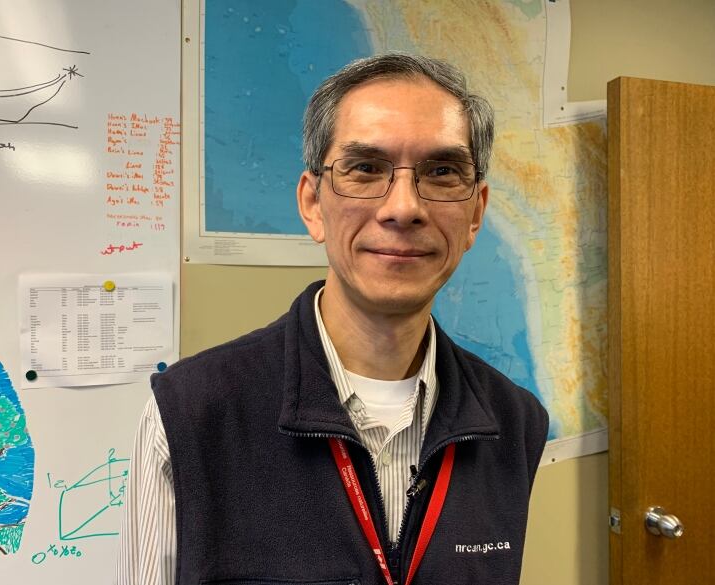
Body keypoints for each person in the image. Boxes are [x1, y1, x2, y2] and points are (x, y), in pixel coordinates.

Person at [116, 53, 549, 585]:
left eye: (441, 172)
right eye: (366, 168)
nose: (403, 208)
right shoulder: (190, 414)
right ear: (313, 205)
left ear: (476, 212)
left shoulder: (515, 423)